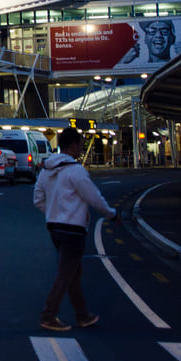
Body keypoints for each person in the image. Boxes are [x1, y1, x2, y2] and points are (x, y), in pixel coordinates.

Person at [32, 127, 119, 331]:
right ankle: (48, 315)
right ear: (73, 145)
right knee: (65, 274)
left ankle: (83, 315)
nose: (81, 148)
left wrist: (53, 212)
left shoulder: (46, 170)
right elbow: (94, 198)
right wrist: (111, 214)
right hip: (73, 229)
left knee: (73, 273)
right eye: (80, 144)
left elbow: (37, 199)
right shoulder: (76, 171)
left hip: (54, 228)